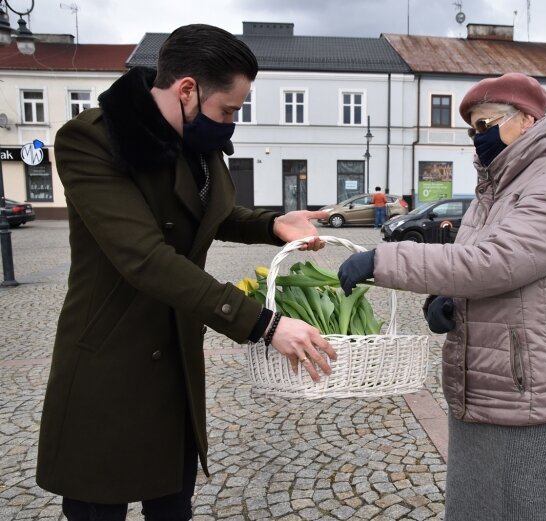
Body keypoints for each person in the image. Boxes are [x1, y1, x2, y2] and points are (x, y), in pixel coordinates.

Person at [37, 24, 337, 521]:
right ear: (187, 89)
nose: (231, 124)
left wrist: (271, 223)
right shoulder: (91, 140)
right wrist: (264, 324)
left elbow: (207, 214)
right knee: (98, 506)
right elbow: (144, 256)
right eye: (229, 110)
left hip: (174, 355)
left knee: (172, 504)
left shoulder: (196, 143)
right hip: (109, 358)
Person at [339, 72, 546, 520]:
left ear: (527, 120)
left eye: (485, 125)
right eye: (472, 129)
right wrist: (449, 299)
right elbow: (476, 269)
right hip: (481, 381)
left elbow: (495, 263)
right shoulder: (491, 193)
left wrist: (386, 261)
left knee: (523, 511)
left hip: (532, 385)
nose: (478, 138)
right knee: (470, 509)